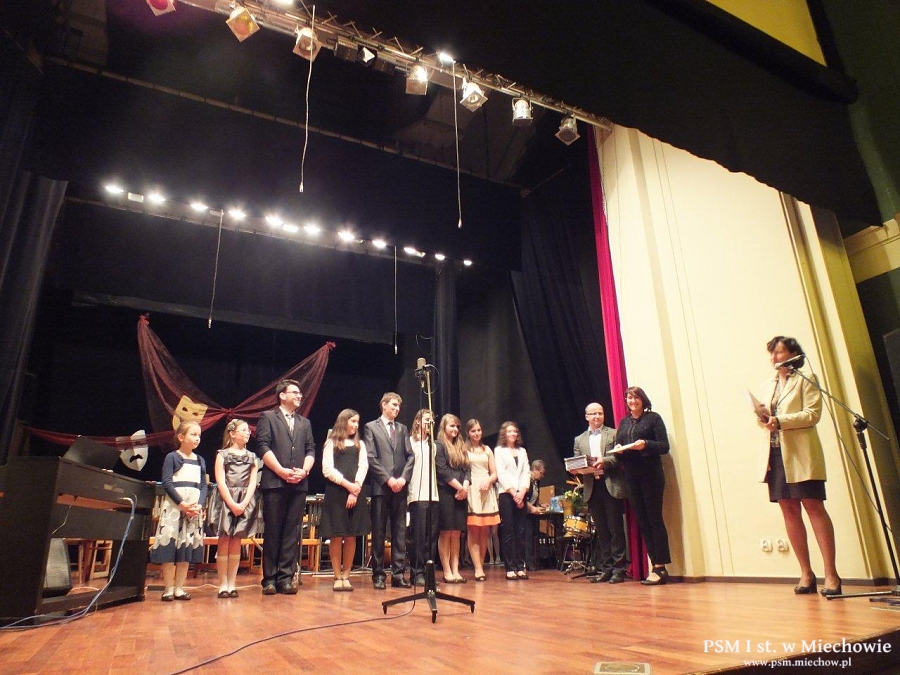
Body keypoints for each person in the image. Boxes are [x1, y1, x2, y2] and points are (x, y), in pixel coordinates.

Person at [759, 336, 841, 596]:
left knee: (814, 507)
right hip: (775, 454)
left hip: (801, 454)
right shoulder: (768, 385)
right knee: (789, 511)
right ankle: (806, 573)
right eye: (772, 353)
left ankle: (831, 574)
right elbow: (766, 420)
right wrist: (763, 418)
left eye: (779, 352)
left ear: (793, 354)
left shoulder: (807, 379)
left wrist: (779, 421)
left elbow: (812, 415)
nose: (774, 358)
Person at [255, 379, 315, 596]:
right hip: (275, 483)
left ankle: (286, 578)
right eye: (295, 392)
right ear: (282, 395)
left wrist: (304, 471)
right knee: (273, 530)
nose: (299, 396)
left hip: (298, 484)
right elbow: (262, 446)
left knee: (292, 531)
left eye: (300, 393)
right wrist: (280, 470)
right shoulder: (268, 417)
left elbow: (310, 449)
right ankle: (269, 579)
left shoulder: (304, 423)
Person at [614, 386, 671, 586]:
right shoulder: (624, 422)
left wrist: (646, 444)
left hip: (651, 475)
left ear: (643, 399)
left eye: (636, 397)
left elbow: (664, 446)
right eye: (629, 398)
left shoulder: (653, 418)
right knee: (643, 521)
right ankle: (655, 565)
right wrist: (619, 450)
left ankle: (660, 567)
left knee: (654, 519)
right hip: (631, 476)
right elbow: (619, 450)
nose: (632, 401)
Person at [150, 421, 208, 601]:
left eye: (199, 435)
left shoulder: (200, 460)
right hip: (175, 509)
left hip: (193, 510)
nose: (197, 438)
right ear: (181, 437)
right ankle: (168, 588)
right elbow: (167, 482)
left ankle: (179, 588)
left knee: (185, 549)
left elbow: (204, 485)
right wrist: (181, 503)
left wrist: (199, 504)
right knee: (170, 548)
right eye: (193, 434)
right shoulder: (172, 457)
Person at [363, 392, 413, 589]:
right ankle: (378, 574)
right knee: (379, 531)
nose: (397, 409)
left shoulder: (402, 428)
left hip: (400, 486)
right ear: (383, 405)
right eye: (393, 405)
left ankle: (398, 574)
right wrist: (388, 479)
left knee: (399, 532)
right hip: (381, 487)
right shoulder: (371, 427)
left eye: (399, 406)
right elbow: (371, 457)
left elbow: (410, 456)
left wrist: (402, 478)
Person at [574, 402, 628, 584]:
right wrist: (575, 469)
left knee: (615, 529)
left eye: (600, 413)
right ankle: (607, 568)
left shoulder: (613, 433)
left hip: (610, 485)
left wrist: (604, 461)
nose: (597, 416)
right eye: (593, 413)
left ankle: (619, 569)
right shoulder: (579, 439)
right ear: (586, 416)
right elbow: (577, 461)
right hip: (592, 487)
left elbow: (619, 457)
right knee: (602, 531)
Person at [207, 418, 259, 598]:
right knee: (224, 540)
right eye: (243, 430)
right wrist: (231, 503)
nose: (247, 433)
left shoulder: (252, 457)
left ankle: (232, 583)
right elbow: (220, 481)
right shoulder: (222, 455)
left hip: (243, 500)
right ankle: (222, 584)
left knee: (236, 541)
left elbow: (252, 482)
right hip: (226, 500)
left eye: (248, 431)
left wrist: (243, 503)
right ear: (232, 433)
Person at [320, 409, 370, 592]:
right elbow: (327, 469)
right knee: (336, 534)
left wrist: (355, 489)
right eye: (353, 421)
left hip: (355, 492)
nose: (356, 425)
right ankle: (337, 576)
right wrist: (347, 485)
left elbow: (363, 466)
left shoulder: (360, 445)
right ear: (344, 422)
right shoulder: (331, 443)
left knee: (351, 535)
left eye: (357, 422)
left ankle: (346, 576)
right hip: (336, 493)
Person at [435, 413, 471, 583]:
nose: (455, 429)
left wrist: (465, 486)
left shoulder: (461, 446)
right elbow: (442, 470)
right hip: (446, 493)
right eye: (452, 426)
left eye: (457, 426)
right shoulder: (439, 445)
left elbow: (467, 469)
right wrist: (459, 487)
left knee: (457, 533)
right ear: (444, 427)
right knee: (446, 532)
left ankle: (456, 570)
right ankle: (447, 570)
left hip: (461, 493)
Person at [494, 420, 532, 580]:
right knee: (508, 531)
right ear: (504, 434)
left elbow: (526, 472)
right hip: (506, 493)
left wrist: (522, 491)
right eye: (510, 431)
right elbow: (500, 473)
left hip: (521, 493)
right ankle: (510, 568)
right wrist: (513, 492)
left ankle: (520, 566)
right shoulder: (499, 451)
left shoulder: (522, 451)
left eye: (515, 431)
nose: (513, 434)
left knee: (521, 531)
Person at [407, 408, 439, 587]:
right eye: (427, 420)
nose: (430, 424)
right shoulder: (410, 443)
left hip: (433, 495)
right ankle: (417, 572)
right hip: (417, 495)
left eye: (432, 421)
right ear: (418, 421)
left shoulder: (433, 445)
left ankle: (429, 573)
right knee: (418, 537)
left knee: (431, 538)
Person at [464, 419, 499, 582]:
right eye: (473, 431)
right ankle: (477, 567)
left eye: (478, 430)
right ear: (468, 433)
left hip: (486, 490)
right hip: (472, 489)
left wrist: (488, 481)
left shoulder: (487, 450)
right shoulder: (464, 449)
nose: (477, 433)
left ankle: (482, 565)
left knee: (485, 532)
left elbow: (494, 473)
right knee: (473, 530)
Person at [524, 459, 546, 570]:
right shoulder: (526, 480)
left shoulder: (536, 481)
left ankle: (535, 561)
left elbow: (535, 495)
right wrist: (532, 508)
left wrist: (541, 504)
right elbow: (524, 498)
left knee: (534, 537)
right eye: (541, 473)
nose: (542, 476)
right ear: (534, 470)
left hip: (532, 512)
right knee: (527, 538)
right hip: (525, 513)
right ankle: (529, 563)